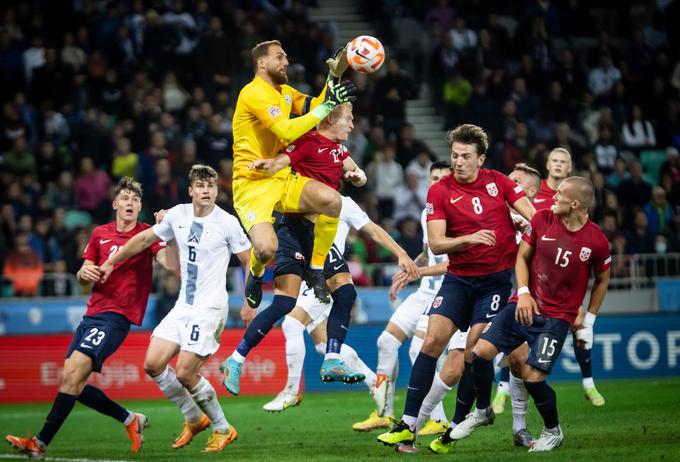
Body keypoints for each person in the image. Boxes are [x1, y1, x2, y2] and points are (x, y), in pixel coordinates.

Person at [220, 103, 418, 394]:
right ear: (331, 119)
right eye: (349, 120)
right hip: (293, 228)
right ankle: (236, 360)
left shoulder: (341, 151)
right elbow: (283, 161)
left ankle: (332, 358)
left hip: (318, 235)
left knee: (346, 292)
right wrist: (269, 165)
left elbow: (359, 174)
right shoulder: (309, 141)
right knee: (284, 304)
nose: (352, 126)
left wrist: (357, 176)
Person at [377, 124, 535, 449]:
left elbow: (535, 216)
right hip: (458, 279)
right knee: (431, 342)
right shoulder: (439, 191)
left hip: (494, 282)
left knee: (474, 350)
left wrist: (526, 223)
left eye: (465, 156)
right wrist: (469, 238)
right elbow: (436, 242)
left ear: (481, 159)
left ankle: (469, 417)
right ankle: (408, 425)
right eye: (454, 155)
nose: (458, 161)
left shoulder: (499, 183)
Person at [6, 177, 177, 458]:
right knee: (72, 382)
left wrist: (170, 233)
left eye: (135, 200)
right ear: (114, 204)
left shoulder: (148, 235)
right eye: (125, 198)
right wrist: (82, 273)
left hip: (116, 317)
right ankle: (129, 419)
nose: (130, 203)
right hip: (92, 314)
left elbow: (170, 265)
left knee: (72, 377)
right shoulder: (100, 233)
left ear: (140, 206)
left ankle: (38, 444)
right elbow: (85, 273)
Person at [449, 176, 611, 452]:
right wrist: (523, 291)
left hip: (556, 317)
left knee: (534, 378)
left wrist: (590, 321)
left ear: (575, 203)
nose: (553, 196)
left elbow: (603, 280)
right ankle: (483, 410)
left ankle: (552, 430)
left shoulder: (596, 240)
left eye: (559, 193)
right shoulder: (542, 220)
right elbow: (522, 257)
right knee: (477, 354)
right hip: (522, 305)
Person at [100, 165, 251, 452]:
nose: (206, 191)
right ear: (191, 191)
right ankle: (194, 418)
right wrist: (111, 262)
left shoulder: (228, 223)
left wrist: (248, 301)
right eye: (201, 186)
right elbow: (145, 239)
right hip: (183, 305)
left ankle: (222, 428)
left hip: (209, 308)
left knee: (184, 373)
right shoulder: (178, 215)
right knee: (153, 364)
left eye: (211, 186)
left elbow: (249, 261)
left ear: (217, 191)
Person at [232, 39, 357, 309]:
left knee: (333, 201)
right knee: (267, 249)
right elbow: (287, 131)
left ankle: (315, 268)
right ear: (261, 63)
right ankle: (254, 274)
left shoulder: (285, 91)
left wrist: (335, 74)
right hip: (252, 183)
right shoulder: (252, 93)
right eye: (279, 57)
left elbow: (320, 105)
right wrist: (326, 107)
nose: (286, 61)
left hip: (283, 175)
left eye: (286, 56)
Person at [262, 194, 417, 412]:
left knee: (291, 323)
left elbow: (373, 229)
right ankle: (375, 383)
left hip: (328, 275)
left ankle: (290, 391)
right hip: (303, 277)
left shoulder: (343, 203)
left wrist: (400, 253)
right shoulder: (297, 195)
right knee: (323, 345)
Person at [353, 162, 452, 434]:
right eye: (434, 178)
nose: (438, 182)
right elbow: (427, 252)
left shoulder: (458, 215)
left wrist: (418, 269)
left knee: (419, 350)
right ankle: (385, 413)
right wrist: (409, 272)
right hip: (424, 291)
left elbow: (454, 264)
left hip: (447, 293)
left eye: (445, 178)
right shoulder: (426, 213)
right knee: (385, 342)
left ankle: (439, 418)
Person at [533, 148, 607, 406]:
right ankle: (502, 391)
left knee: (580, 325)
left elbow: (583, 238)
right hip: (535, 277)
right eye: (553, 160)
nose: (557, 165)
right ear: (547, 163)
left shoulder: (574, 195)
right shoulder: (537, 195)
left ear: (569, 167)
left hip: (564, 284)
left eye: (562, 161)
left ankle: (588, 382)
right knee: (513, 335)